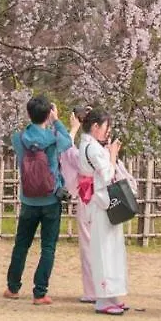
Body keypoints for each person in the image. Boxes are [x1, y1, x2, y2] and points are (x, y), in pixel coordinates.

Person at [4, 95, 72, 305]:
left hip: (28, 200)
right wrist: (56, 120)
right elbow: (68, 141)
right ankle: (40, 293)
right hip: (50, 199)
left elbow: (23, 135)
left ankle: (13, 288)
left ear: (29, 114)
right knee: (48, 247)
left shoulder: (19, 139)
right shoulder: (54, 138)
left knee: (21, 244)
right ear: (48, 113)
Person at [79, 108, 129, 314]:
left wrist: (109, 153)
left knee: (111, 249)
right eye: (106, 127)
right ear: (95, 126)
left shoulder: (90, 146)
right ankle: (103, 298)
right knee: (104, 250)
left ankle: (111, 295)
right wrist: (113, 155)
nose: (107, 131)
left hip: (102, 202)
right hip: (100, 203)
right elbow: (107, 175)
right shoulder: (91, 148)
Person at [57, 108, 92, 303]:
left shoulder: (85, 149)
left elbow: (67, 151)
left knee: (88, 245)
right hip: (103, 198)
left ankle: (92, 290)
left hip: (88, 198)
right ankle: (105, 289)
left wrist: (72, 129)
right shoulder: (101, 146)